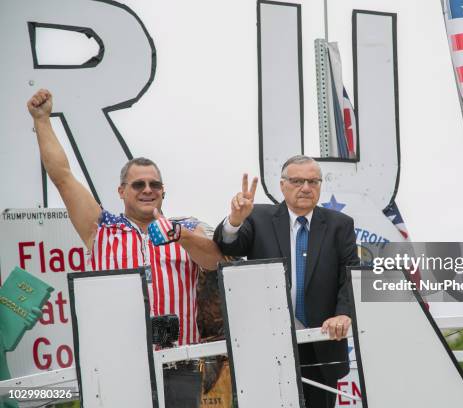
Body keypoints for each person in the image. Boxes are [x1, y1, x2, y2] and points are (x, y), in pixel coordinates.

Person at [28, 89, 223, 407]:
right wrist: (42, 121)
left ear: (163, 191)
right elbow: (62, 178)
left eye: (154, 184)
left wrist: (179, 236)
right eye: (138, 184)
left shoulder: (187, 227)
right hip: (120, 366)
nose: (147, 190)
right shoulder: (101, 228)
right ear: (121, 191)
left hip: (181, 365)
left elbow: (215, 261)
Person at [213, 155, 359, 408]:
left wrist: (344, 314)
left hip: (322, 346)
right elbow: (229, 244)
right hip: (270, 345)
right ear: (282, 185)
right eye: (297, 180)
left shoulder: (339, 225)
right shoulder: (257, 216)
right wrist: (235, 220)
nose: (306, 187)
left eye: (313, 181)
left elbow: (350, 274)